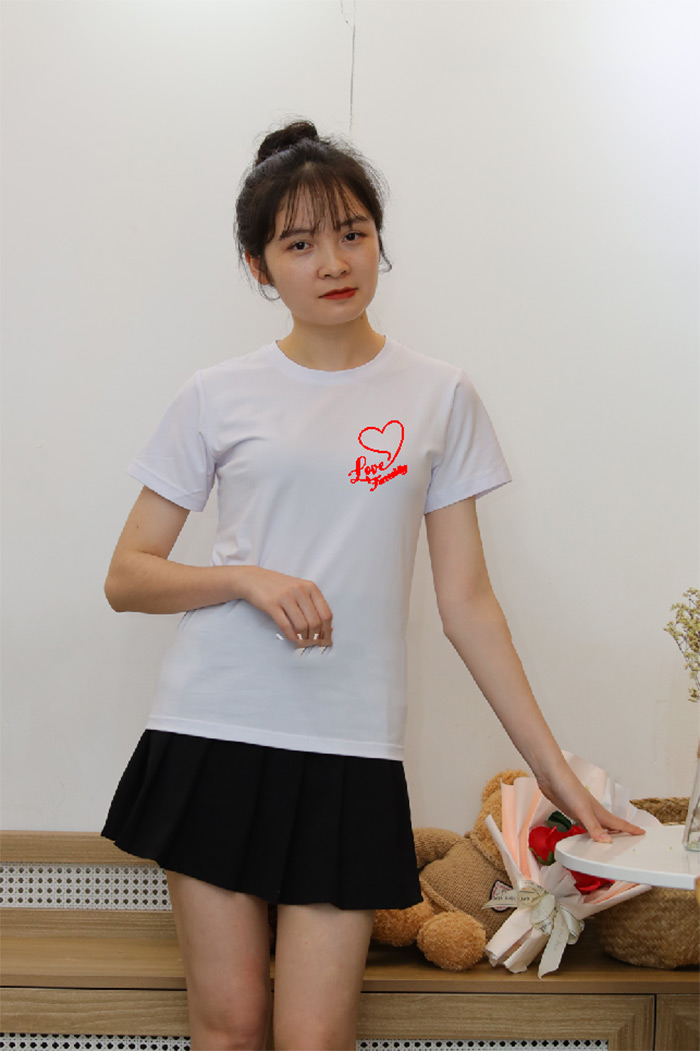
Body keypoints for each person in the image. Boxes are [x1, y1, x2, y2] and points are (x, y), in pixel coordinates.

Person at [102, 120, 643, 1051]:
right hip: (216, 729)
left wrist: (554, 771)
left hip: (350, 745)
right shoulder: (216, 394)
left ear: (378, 239)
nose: (333, 262)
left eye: (352, 232)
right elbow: (127, 575)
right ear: (258, 265)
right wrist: (245, 578)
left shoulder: (440, 396)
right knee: (228, 1025)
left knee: (317, 1035)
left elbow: (467, 603)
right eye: (298, 244)